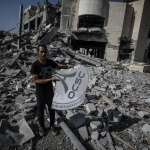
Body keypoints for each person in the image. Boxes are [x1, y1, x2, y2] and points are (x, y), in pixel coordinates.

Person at [30, 44, 73, 136]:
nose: (43, 53)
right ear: (38, 53)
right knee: (40, 111)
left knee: (52, 110)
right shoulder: (35, 65)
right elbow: (36, 81)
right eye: (41, 52)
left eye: (45, 51)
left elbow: (59, 67)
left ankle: (52, 126)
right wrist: (50, 79)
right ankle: (41, 127)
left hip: (50, 91)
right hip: (40, 92)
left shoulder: (50, 62)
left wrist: (67, 66)